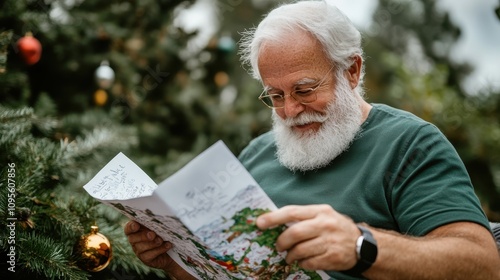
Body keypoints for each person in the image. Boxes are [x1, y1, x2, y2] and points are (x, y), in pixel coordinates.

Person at [124, 1, 500, 279]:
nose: (289, 111)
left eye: (304, 90)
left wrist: (360, 246)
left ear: (351, 71)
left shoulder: (408, 144)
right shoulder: (256, 154)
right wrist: (173, 261)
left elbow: (482, 265)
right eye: (275, 95)